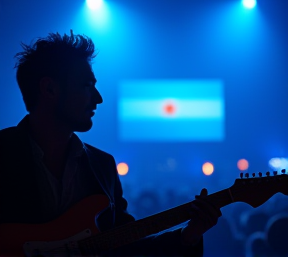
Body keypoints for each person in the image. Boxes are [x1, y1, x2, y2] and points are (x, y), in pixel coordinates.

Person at [0, 31, 222, 256]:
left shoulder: (102, 166)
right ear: (49, 89)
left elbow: (126, 247)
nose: (98, 98)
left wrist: (188, 236)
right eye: (86, 85)